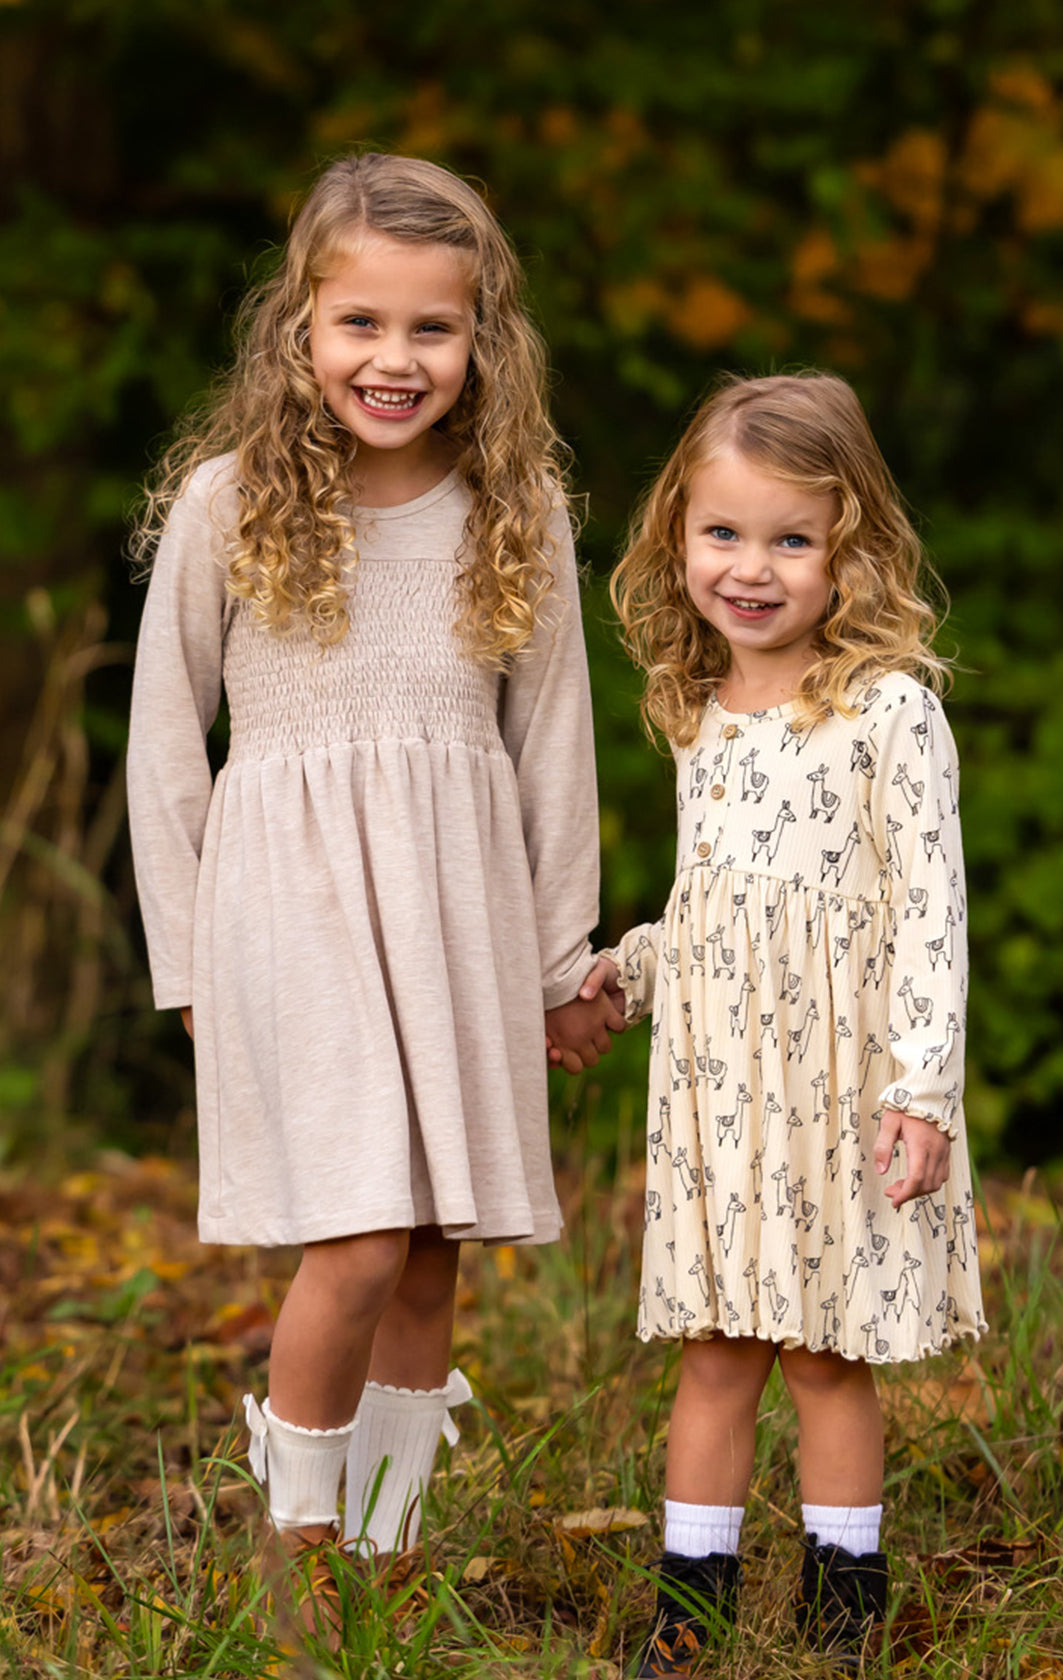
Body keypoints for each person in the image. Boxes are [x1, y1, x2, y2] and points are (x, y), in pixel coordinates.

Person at [126, 152, 621, 1631]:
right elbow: (164, 742)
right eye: (361, 324)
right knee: (348, 1236)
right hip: (289, 914)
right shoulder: (231, 505)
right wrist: (192, 968)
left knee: (424, 1249)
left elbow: (551, 749)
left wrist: (556, 961)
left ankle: (393, 1556)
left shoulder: (511, 505)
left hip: (454, 913)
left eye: (431, 329)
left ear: (482, 343)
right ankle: (294, 1566)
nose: (393, 360)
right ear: (300, 327)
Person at [579, 372, 987, 1674]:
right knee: (715, 1349)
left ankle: (840, 1613)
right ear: (676, 537)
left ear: (846, 546)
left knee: (823, 1356)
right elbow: (714, 904)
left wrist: (918, 1092)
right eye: (723, 533)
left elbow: (928, 911)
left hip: (843, 1090)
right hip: (721, 1093)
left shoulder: (885, 710)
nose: (751, 569)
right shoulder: (699, 709)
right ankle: (686, 1620)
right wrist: (627, 973)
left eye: (789, 539)